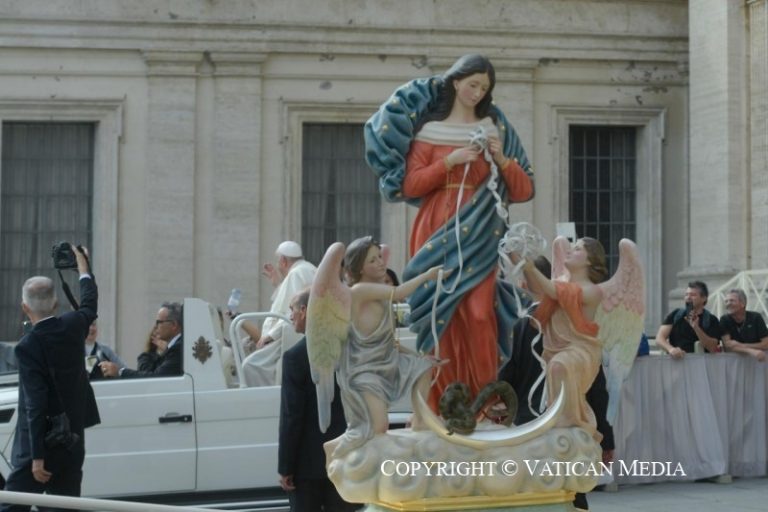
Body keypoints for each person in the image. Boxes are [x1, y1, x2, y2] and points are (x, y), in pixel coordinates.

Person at [367, 54, 535, 411]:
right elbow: (411, 185)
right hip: (436, 228)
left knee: (479, 313)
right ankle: (442, 403)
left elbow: (523, 190)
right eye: (472, 84)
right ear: (456, 82)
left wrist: (501, 160)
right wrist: (450, 161)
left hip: (481, 231)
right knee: (438, 313)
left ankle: (486, 400)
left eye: (484, 88)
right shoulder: (431, 130)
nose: (477, 93)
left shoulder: (494, 128)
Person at [498, 255, 613, 511]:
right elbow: (596, 385)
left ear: (526, 284)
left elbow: (507, 374)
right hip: (566, 425)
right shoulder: (574, 321)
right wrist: (607, 437)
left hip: (529, 423)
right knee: (570, 490)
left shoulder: (522, 324)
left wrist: (500, 407)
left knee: (534, 492)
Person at [2, 245, 100, 511]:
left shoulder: (27, 346)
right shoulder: (74, 325)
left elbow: (35, 403)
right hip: (71, 444)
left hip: (39, 451)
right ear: (56, 303)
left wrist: (37, 457)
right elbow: (89, 302)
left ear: (24, 307)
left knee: (11, 507)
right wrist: (83, 267)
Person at [332, 236, 442, 455]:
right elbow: (399, 293)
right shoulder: (359, 290)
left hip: (386, 361)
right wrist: (428, 275)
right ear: (359, 268)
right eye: (372, 260)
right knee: (377, 428)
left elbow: (389, 341)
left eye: (380, 257)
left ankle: (419, 419)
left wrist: (418, 357)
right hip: (365, 370)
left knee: (424, 367)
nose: (381, 263)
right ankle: (341, 450)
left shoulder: (380, 293)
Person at [512, 238, 607, 442]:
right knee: (556, 367)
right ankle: (557, 419)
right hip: (557, 348)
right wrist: (515, 257)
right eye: (571, 248)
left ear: (589, 260)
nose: (570, 251)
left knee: (559, 366)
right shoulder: (562, 281)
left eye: (577, 249)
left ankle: (569, 423)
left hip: (581, 350)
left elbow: (554, 291)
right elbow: (539, 288)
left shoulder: (592, 290)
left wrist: (530, 266)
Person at [278, 289, 359, 512]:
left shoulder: (295, 357)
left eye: (293, 309)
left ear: (304, 310)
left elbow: (292, 417)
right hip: (344, 458)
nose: (291, 315)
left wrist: (286, 467)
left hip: (307, 465)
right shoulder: (347, 351)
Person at [241, 241, 317, 386]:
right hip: (297, 334)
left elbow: (291, 311)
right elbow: (292, 299)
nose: (278, 265)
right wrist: (277, 284)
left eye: (278, 261)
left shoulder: (296, 273)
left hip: (289, 335)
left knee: (251, 365)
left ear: (283, 260)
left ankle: (268, 399)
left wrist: (270, 335)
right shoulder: (308, 268)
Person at [99, 302, 183, 378]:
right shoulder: (174, 347)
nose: (156, 326)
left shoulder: (178, 348)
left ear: (174, 325)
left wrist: (120, 372)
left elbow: (157, 378)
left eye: (159, 322)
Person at [655, 281, 721, 359]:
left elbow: (712, 347)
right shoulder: (676, 314)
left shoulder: (711, 320)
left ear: (704, 298)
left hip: (699, 362)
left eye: (693, 295)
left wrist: (696, 327)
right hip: (676, 361)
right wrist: (671, 349)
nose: (688, 297)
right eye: (686, 294)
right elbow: (659, 338)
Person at [719, 288, 768, 361]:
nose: (728, 303)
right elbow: (728, 346)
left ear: (743, 304)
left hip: (759, 361)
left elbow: (766, 344)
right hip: (735, 362)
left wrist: (741, 345)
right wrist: (752, 351)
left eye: (732, 301)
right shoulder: (724, 319)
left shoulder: (756, 317)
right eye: (726, 301)